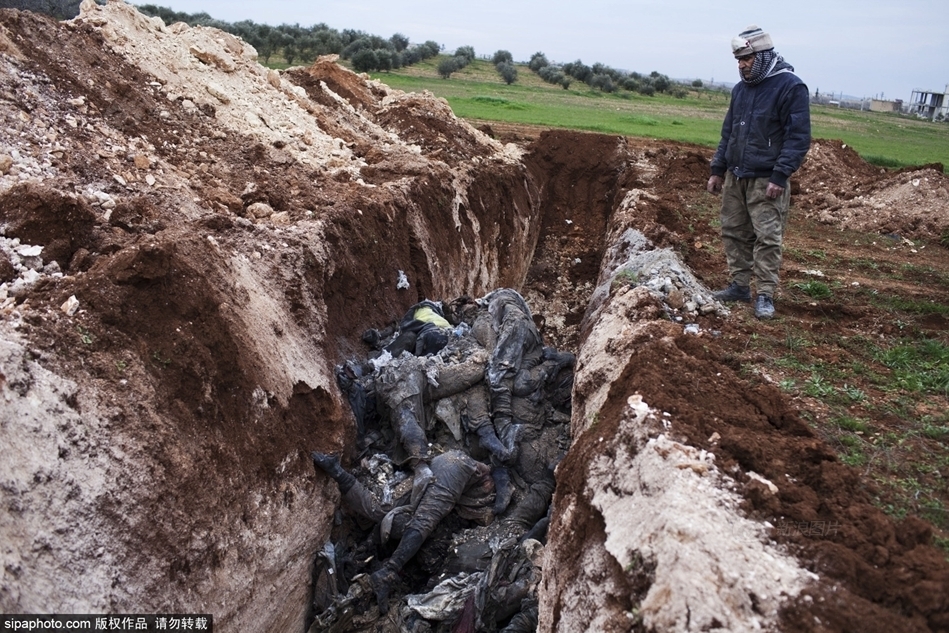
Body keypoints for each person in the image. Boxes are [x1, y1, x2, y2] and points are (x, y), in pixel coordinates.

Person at [706, 25, 811, 320]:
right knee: (733, 231)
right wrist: (717, 169)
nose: (741, 65)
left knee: (767, 237)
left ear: (763, 56)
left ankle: (765, 294)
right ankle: (739, 286)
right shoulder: (741, 90)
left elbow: (798, 137)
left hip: (766, 179)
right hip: (736, 175)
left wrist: (780, 175)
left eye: (746, 59)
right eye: (738, 60)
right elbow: (728, 133)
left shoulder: (790, 87)